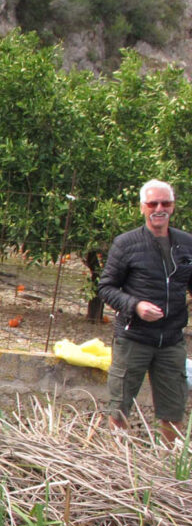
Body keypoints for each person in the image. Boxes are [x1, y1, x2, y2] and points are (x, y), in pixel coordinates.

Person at [98, 179, 192, 443]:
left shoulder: (186, 244)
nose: (159, 208)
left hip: (172, 340)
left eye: (165, 203)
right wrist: (135, 306)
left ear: (173, 207)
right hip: (134, 338)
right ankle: (115, 461)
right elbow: (105, 287)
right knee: (119, 407)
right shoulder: (126, 244)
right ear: (142, 207)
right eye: (153, 203)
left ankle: (168, 465)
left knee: (173, 409)